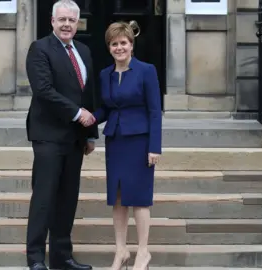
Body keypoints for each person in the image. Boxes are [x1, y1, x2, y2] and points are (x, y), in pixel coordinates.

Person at [81, 21, 162, 270]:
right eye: (114, 44)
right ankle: (121, 251)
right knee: (117, 198)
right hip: (115, 140)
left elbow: (155, 111)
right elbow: (107, 108)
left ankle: (143, 253)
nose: (119, 48)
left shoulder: (146, 71)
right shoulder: (105, 74)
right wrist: (92, 117)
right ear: (109, 47)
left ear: (131, 44)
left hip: (140, 141)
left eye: (123, 43)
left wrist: (154, 147)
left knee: (139, 198)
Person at [24, 0, 99, 269]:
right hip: (48, 135)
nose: (67, 24)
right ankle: (35, 258)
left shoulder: (84, 51)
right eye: (62, 19)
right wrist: (79, 114)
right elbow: (44, 91)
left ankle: (61, 256)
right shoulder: (40, 49)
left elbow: (87, 92)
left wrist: (90, 134)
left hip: (75, 138)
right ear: (52, 21)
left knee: (68, 199)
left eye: (71, 20)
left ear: (77, 23)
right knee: (44, 198)